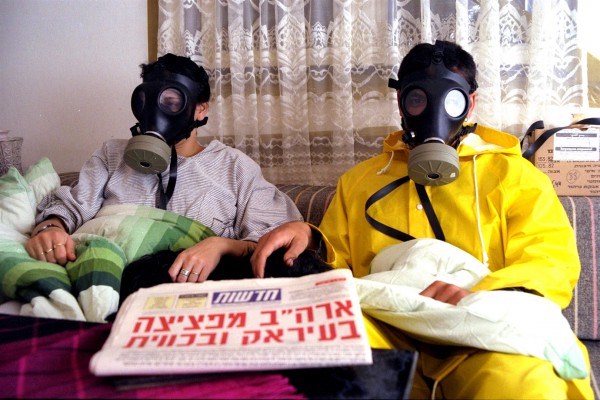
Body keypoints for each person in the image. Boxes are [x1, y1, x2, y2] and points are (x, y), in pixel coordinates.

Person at [250, 40, 593, 398]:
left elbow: (550, 263)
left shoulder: (516, 177)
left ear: (470, 103)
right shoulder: (359, 183)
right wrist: (310, 236)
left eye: (452, 100)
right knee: (327, 351)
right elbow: (339, 269)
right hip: (387, 325)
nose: (433, 112)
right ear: (400, 102)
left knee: (524, 382)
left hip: (481, 327)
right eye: (417, 99)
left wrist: (479, 295)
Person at [26, 53, 303, 284]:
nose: (156, 116)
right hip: (107, 281)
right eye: (148, 103)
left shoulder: (234, 167)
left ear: (200, 110)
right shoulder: (112, 154)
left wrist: (220, 245)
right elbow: (71, 209)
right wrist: (50, 229)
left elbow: (272, 239)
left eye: (171, 104)